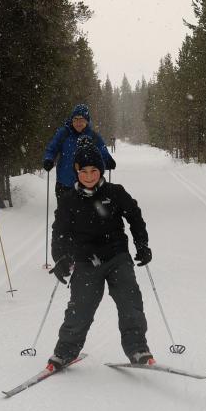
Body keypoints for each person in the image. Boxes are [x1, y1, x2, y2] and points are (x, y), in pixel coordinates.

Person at [47, 142, 154, 369]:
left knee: (130, 302)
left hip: (117, 256)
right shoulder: (69, 199)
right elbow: (60, 232)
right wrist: (60, 257)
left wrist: (141, 244)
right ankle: (65, 352)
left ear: (101, 171)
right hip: (86, 261)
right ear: (77, 170)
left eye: (94, 171)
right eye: (84, 171)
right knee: (80, 308)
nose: (89, 176)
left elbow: (134, 217)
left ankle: (137, 349)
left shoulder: (115, 193)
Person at [42, 104, 115, 195]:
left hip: (87, 185)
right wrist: (48, 159)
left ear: (87, 121)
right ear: (71, 120)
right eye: (75, 119)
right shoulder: (64, 133)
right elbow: (52, 148)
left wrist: (107, 160)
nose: (78, 123)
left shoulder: (93, 136)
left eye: (81, 120)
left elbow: (102, 150)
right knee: (64, 209)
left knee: (86, 209)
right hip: (65, 184)